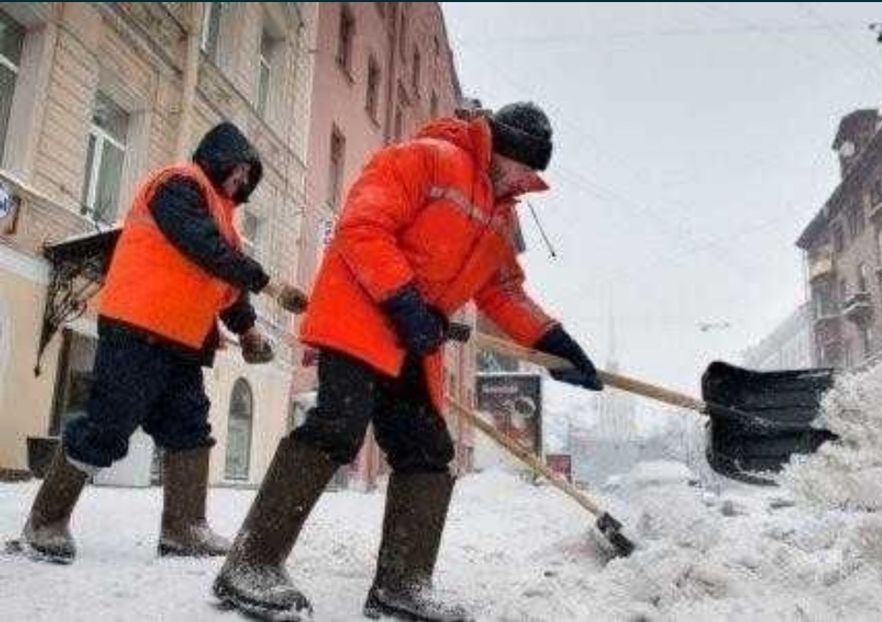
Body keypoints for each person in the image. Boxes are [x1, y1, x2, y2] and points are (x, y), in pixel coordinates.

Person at [213, 103, 603, 622]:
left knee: (427, 451)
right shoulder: (427, 159)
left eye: (532, 173)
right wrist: (404, 302)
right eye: (522, 166)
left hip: (412, 342)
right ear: (503, 148)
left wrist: (557, 343)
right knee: (337, 427)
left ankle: (403, 583)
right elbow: (362, 226)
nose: (526, 179)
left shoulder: (500, 214)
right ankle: (250, 564)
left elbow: (503, 291)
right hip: (360, 317)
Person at [9, 122, 308, 564]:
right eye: (240, 170)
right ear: (219, 156)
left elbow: (225, 283)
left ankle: (184, 529)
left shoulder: (225, 217)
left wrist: (246, 330)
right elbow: (202, 247)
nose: (243, 181)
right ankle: (44, 523)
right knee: (106, 426)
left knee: (189, 429)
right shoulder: (179, 183)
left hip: (183, 342)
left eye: (250, 177)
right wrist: (268, 283)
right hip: (138, 327)